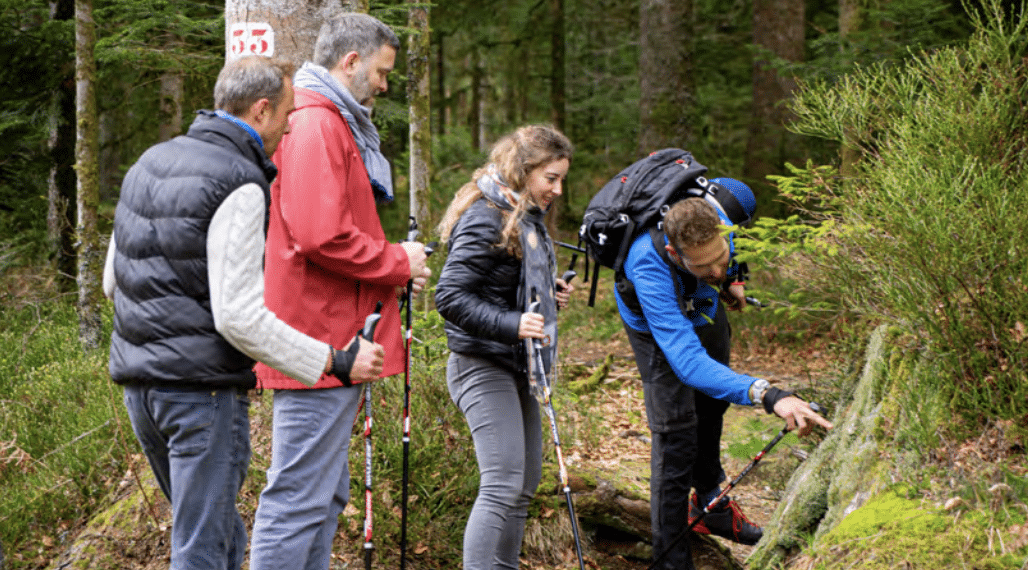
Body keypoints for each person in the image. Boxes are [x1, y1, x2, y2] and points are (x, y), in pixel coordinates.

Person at [104, 55, 384, 570]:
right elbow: (238, 318)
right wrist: (333, 360)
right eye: (287, 114)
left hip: (139, 390)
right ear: (260, 111)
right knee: (203, 551)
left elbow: (111, 282)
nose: (289, 126)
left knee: (218, 537)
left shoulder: (150, 161)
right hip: (201, 395)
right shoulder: (239, 179)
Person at [247, 14, 430, 570]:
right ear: (349, 61)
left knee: (324, 497)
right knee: (300, 498)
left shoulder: (328, 120)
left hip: (332, 338)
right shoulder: (316, 123)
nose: (383, 85)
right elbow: (317, 232)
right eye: (380, 71)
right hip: (315, 338)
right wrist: (398, 260)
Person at [615, 180, 833, 570]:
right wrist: (767, 393)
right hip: (656, 325)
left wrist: (732, 277)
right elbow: (687, 362)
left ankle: (710, 502)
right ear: (672, 251)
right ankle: (672, 559)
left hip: (698, 299)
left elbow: (735, 231)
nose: (715, 267)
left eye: (721, 255)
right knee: (676, 431)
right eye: (705, 264)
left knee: (713, 398)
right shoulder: (646, 263)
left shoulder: (719, 214)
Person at [434, 124, 575, 570]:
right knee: (502, 483)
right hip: (480, 362)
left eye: (561, 179)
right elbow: (450, 297)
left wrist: (545, 292)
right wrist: (515, 322)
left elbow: (504, 280)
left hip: (518, 363)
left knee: (524, 484)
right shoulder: (486, 214)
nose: (557, 189)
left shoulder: (522, 213)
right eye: (550, 178)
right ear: (524, 169)